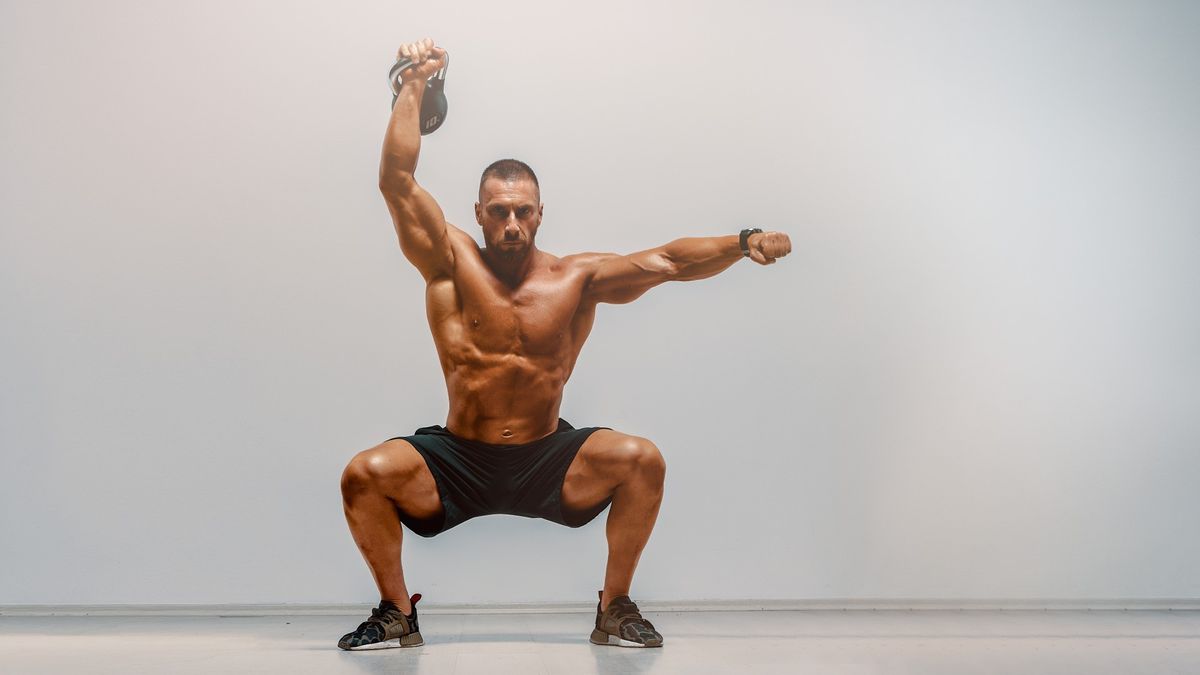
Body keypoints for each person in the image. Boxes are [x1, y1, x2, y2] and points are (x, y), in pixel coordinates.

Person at [337, 38, 792, 651]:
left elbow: (666, 261)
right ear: (477, 211)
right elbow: (397, 179)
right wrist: (415, 81)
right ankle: (397, 612)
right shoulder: (448, 262)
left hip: (547, 456)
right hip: (459, 458)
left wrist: (742, 240)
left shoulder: (576, 280)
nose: (511, 224)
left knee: (641, 459)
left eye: (522, 211)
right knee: (364, 474)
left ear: (541, 212)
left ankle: (615, 605)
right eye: (498, 212)